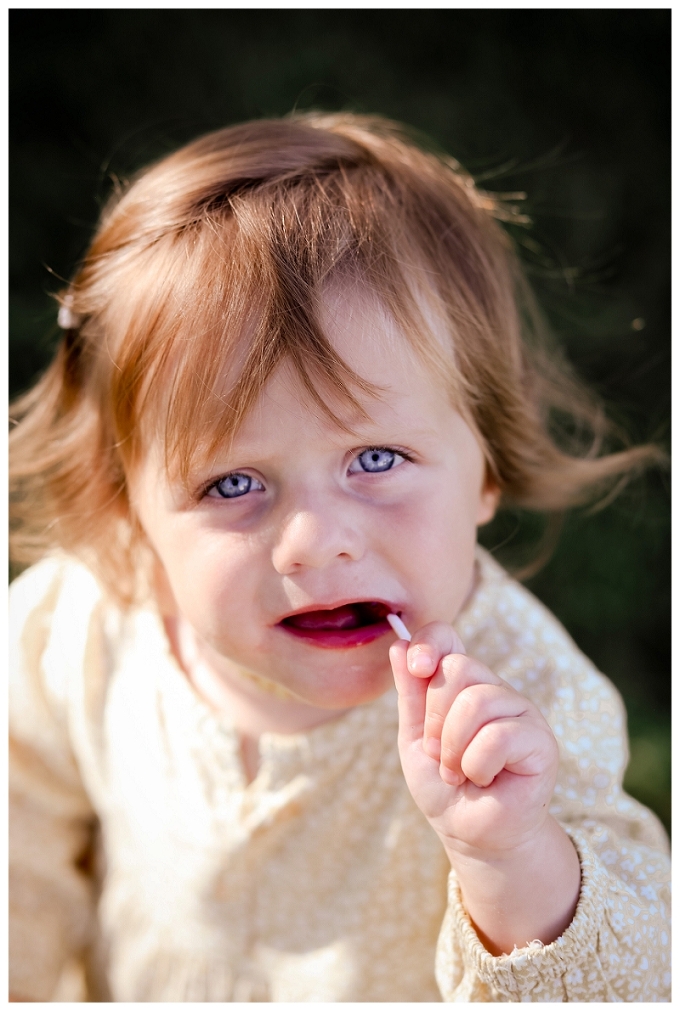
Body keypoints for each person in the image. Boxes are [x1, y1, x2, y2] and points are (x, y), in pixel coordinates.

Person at [9, 113, 670, 1003]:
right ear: (130, 507)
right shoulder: (76, 630)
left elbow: (633, 982)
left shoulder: (525, 710)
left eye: (376, 460)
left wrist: (509, 855)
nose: (317, 540)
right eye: (232, 482)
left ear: (488, 463)